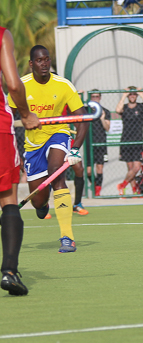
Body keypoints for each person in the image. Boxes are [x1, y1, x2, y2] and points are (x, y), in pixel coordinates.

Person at [8, 45, 89, 254]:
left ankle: (67, 237)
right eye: (40, 60)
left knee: (57, 174)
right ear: (31, 64)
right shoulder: (21, 85)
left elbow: (83, 120)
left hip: (58, 134)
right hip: (33, 145)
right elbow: (8, 115)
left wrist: (75, 149)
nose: (44, 63)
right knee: (38, 202)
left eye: (47, 59)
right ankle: (42, 206)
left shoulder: (63, 85)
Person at [0, 27, 40, 295]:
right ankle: (9, 271)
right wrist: (25, 114)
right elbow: (13, 84)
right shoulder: (2, 34)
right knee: (8, 200)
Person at [116, 86, 143, 195]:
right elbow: (118, 110)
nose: (132, 96)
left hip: (137, 140)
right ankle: (134, 192)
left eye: (134, 94)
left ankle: (122, 185)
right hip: (126, 140)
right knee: (130, 168)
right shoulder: (125, 107)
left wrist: (141, 94)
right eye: (130, 94)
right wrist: (123, 95)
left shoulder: (141, 106)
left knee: (137, 167)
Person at [87, 89, 111, 197]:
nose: (95, 98)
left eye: (97, 96)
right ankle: (95, 185)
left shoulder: (105, 111)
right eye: (93, 97)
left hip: (101, 142)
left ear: (100, 98)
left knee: (99, 168)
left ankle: (97, 191)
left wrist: (102, 118)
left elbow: (107, 128)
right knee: (88, 171)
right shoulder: (86, 111)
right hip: (89, 142)